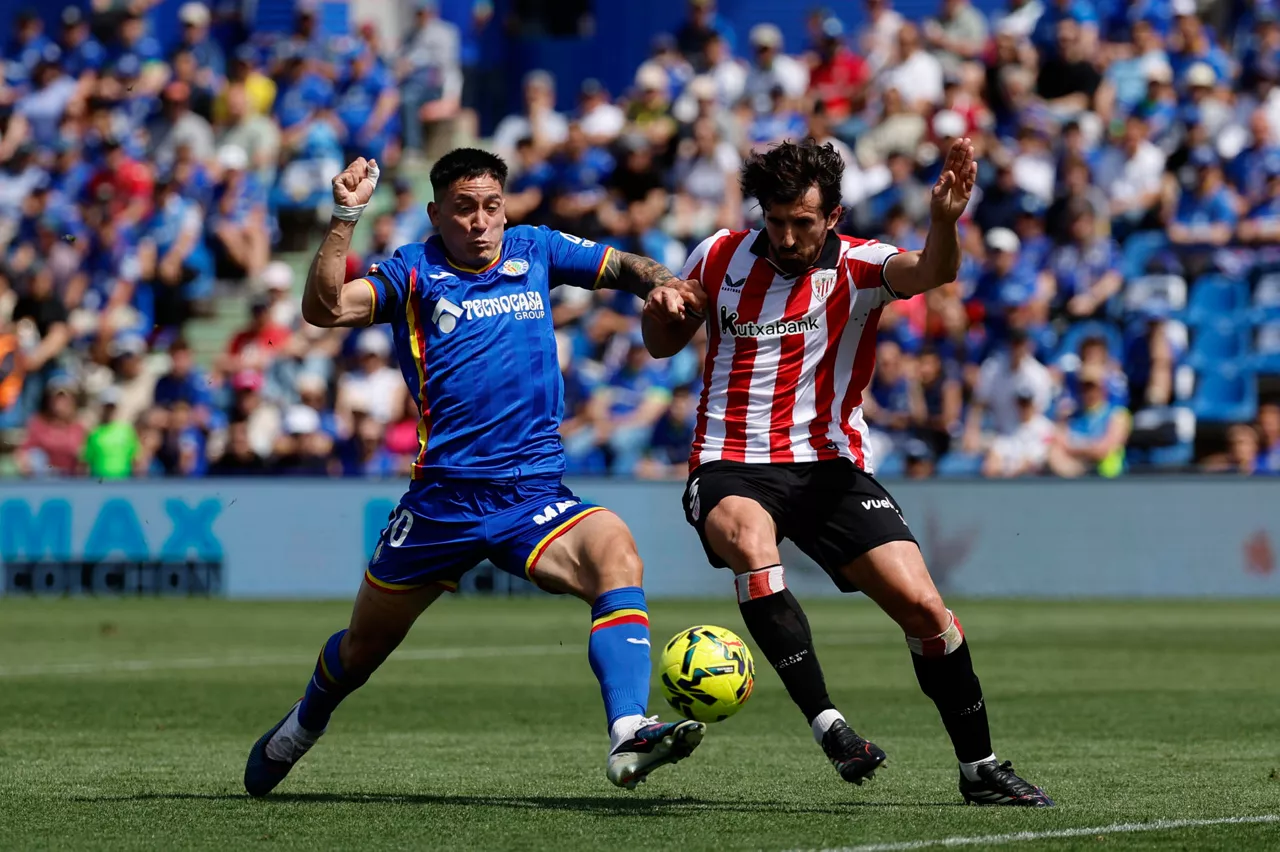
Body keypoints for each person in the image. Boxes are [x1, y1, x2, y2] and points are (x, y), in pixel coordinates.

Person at [243, 148, 709, 796]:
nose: (481, 222)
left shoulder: (536, 249)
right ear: (437, 213)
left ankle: (628, 728)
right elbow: (325, 309)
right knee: (360, 652)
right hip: (443, 503)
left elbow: (623, 265)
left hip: (532, 493)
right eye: (464, 208)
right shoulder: (412, 271)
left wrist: (663, 281)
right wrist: (346, 216)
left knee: (616, 555)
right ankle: (300, 726)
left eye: (492, 206)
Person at [641, 138, 1052, 805]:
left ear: (831, 215)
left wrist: (944, 222)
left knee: (926, 610)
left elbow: (932, 273)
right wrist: (658, 314)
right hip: (728, 461)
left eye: (803, 222)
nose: (787, 235)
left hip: (829, 466)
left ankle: (980, 770)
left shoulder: (861, 265)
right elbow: (661, 346)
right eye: (775, 221)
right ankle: (830, 726)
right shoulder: (717, 254)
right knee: (750, 541)